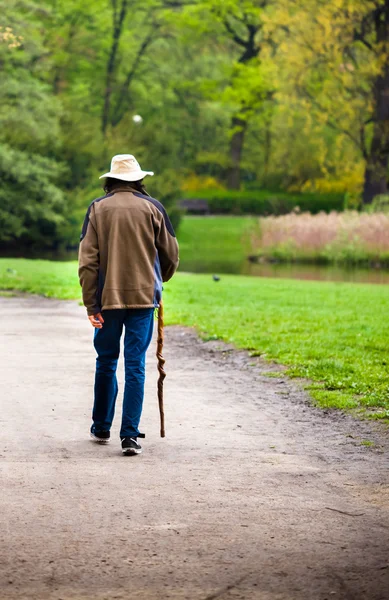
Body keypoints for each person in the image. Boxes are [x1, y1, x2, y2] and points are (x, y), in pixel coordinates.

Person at [78, 154, 179, 455]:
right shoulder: (154, 208)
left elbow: (87, 263)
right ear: (138, 179)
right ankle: (130, 435)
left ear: (110, 179)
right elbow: (171, 256)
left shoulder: (97, 208)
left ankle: (101, 426)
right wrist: (156, 282)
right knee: (135, 364)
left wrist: (90, 304)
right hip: (144, 299)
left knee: (106, 361)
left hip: (107, 301)